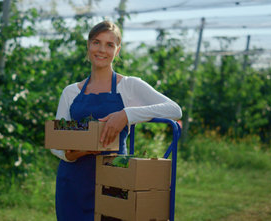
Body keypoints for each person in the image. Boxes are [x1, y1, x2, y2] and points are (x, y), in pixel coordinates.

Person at [50, 20, 182, 221]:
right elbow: (57, 142)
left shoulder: (128, 86)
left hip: (115, 179)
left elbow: (174, 110)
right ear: (88, 45)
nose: (102, 49)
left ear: (117, 50)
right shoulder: (70, 92)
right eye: (96, 42)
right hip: (73, 182)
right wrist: (76, 152)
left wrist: (126, 115)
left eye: (109, 45)